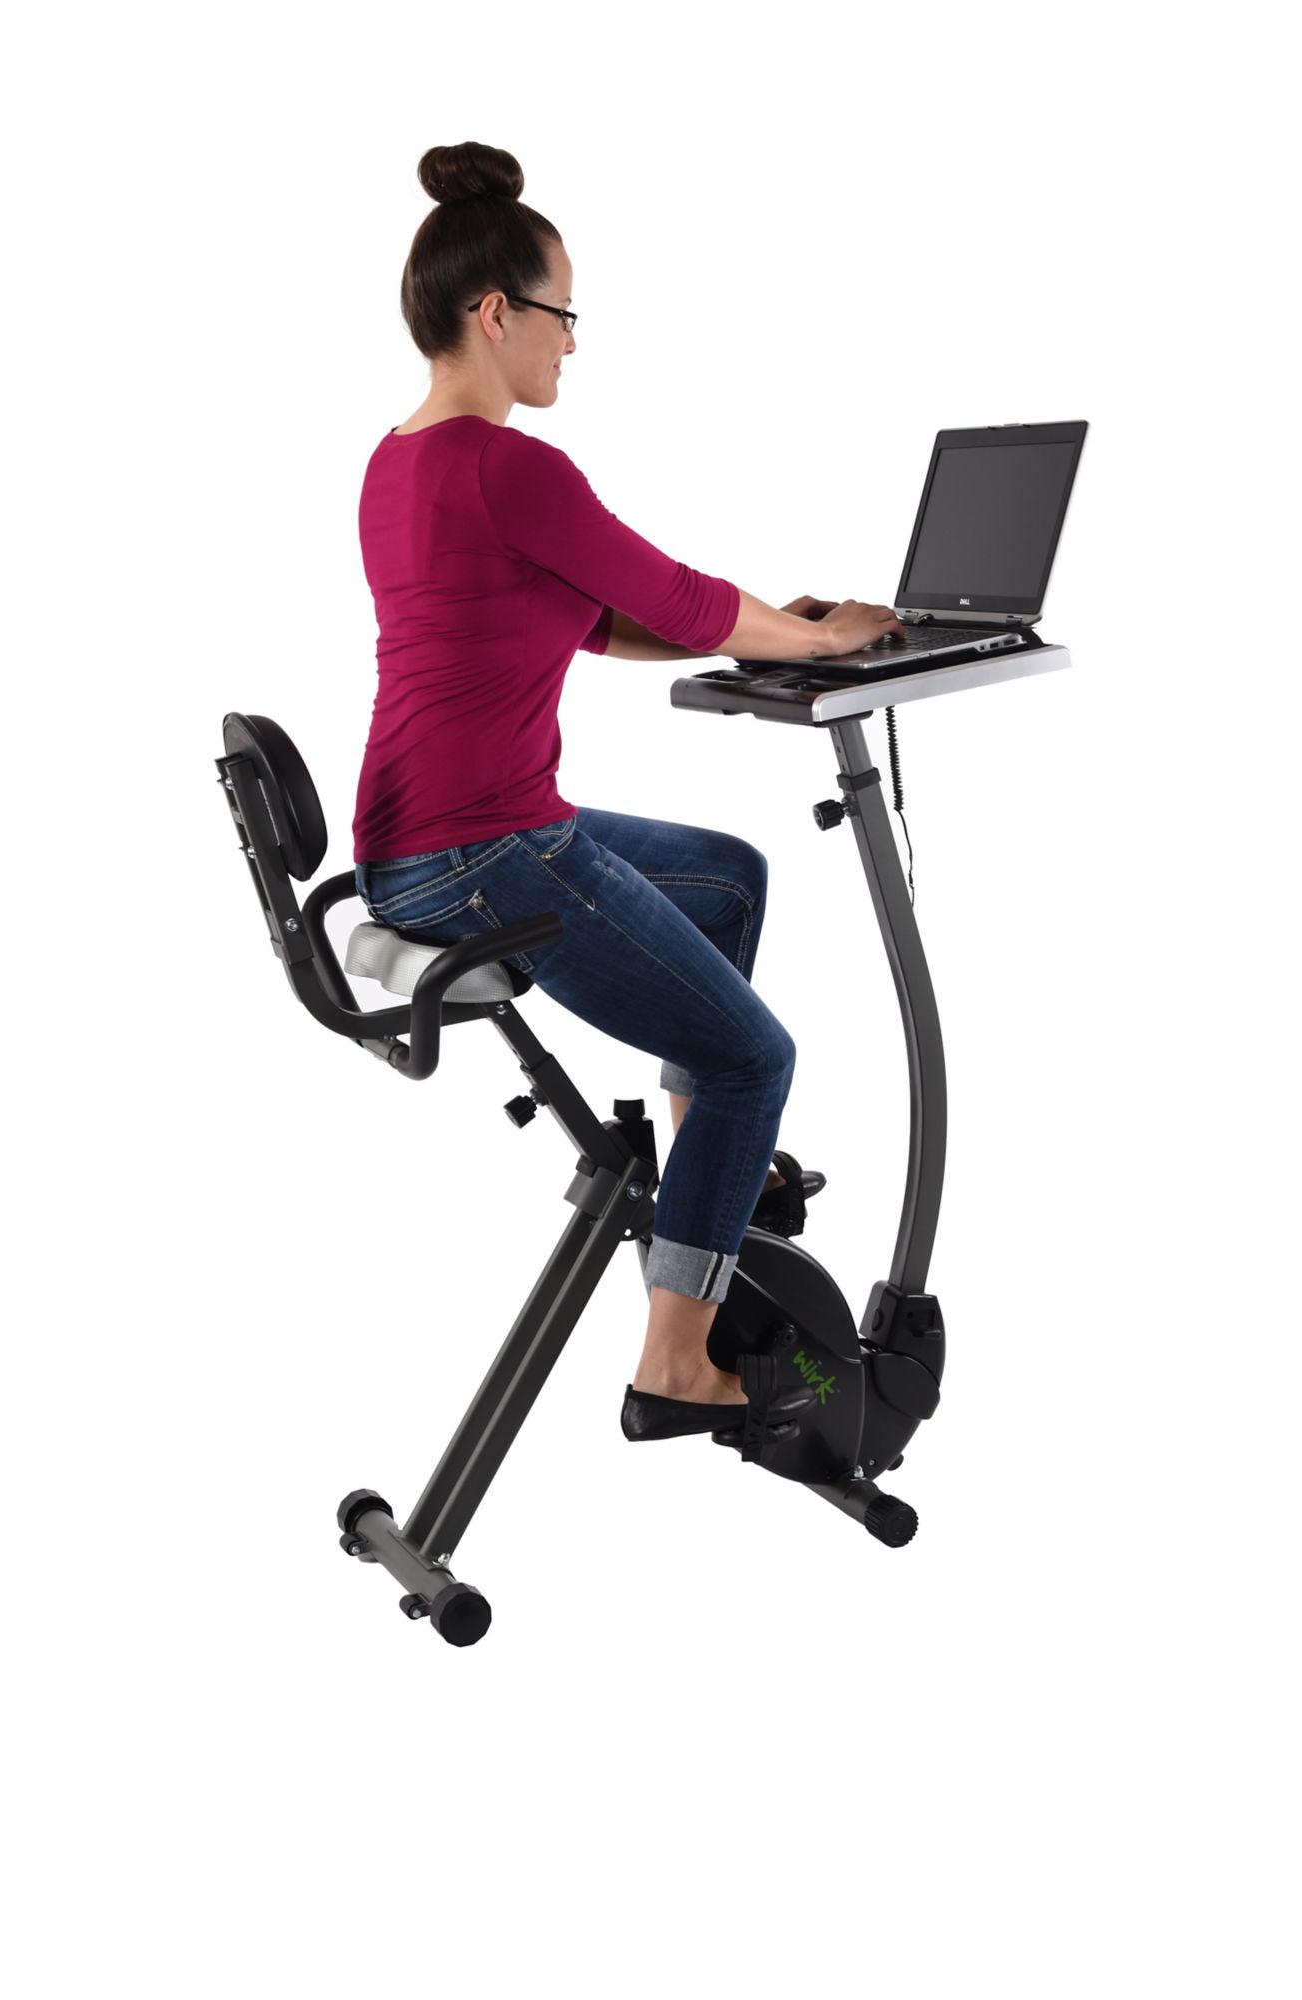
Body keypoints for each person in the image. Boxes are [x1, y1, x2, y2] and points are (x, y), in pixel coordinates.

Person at [352, 140, 904, 1438]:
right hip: (487, 852)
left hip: (412, 846)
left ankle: (705, 1177)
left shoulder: (397, 460)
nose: (572, 342)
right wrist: (817, 638)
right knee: (756, 1057)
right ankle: (674, 1361)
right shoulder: (510, 464)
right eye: (563, 313)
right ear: (497, 313)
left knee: (729, 878)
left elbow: (596, 620)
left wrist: (775, 631)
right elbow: (673, 596)